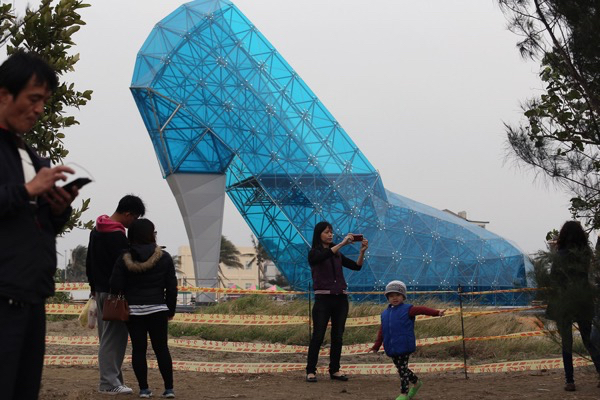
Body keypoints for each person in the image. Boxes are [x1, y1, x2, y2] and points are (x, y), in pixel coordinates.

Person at [0, 51, 79, 400]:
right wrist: (27, 190)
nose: (38, 110)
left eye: (43, 102)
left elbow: (35, 223)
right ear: (4, 95)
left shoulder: (31, 156)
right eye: (33, 99)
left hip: (32, 296)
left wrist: (57, 210)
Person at [110, 219, 178, 399]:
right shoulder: (164, 257)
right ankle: (169, 389)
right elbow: (172, 287)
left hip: (133, 311)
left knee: (138, 350)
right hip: (158, 309)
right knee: (161, 348)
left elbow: (115, 285)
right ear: (151, 234)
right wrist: (170, 310)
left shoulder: (124, 258)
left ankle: (144, 389)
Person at [86, 195, 145, 395]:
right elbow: (125, 267)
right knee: (114, 338)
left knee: (107, 337)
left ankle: (115, 380)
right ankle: (108, 383)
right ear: (128, 214)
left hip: (100, 292)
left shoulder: (97, 230)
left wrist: (93, 288)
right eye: (135, 218)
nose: (134, 223)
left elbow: (89, 261)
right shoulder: (118, 236)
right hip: (115, 294)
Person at [305, 221, 368, 382]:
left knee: (338, 336)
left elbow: (356, 267)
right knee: (318, 336)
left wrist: (362, 252)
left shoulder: (338, 254)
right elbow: (323, 256)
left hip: (340, 299)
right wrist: (342, 243)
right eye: (326, 232)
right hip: (323, 300)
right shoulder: (314, 253)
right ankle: (311, 371)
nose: (330, 234)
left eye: (331, 232)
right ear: (319, 234)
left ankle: (335, 369)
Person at [545, 221, 600, 392]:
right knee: (588, 340)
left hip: (564, 302)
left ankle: (570, 380)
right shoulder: (585, 255)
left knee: (567, 343)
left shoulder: (559, 256)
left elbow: (554, 278)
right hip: (583, 301)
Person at [370, 280, 445, 400]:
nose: (394, 298)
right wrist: (376, 345)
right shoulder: (385, 313)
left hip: (404, 344)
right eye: (391, 296)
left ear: (403, 296)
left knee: (402, 370)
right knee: (401, 368)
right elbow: (382, 330)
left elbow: (422, 310)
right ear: (387, 297)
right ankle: (416, 382)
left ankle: (404, 394)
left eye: (398, 295)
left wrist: (437, 312)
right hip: (391, 346)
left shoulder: (408, 309)